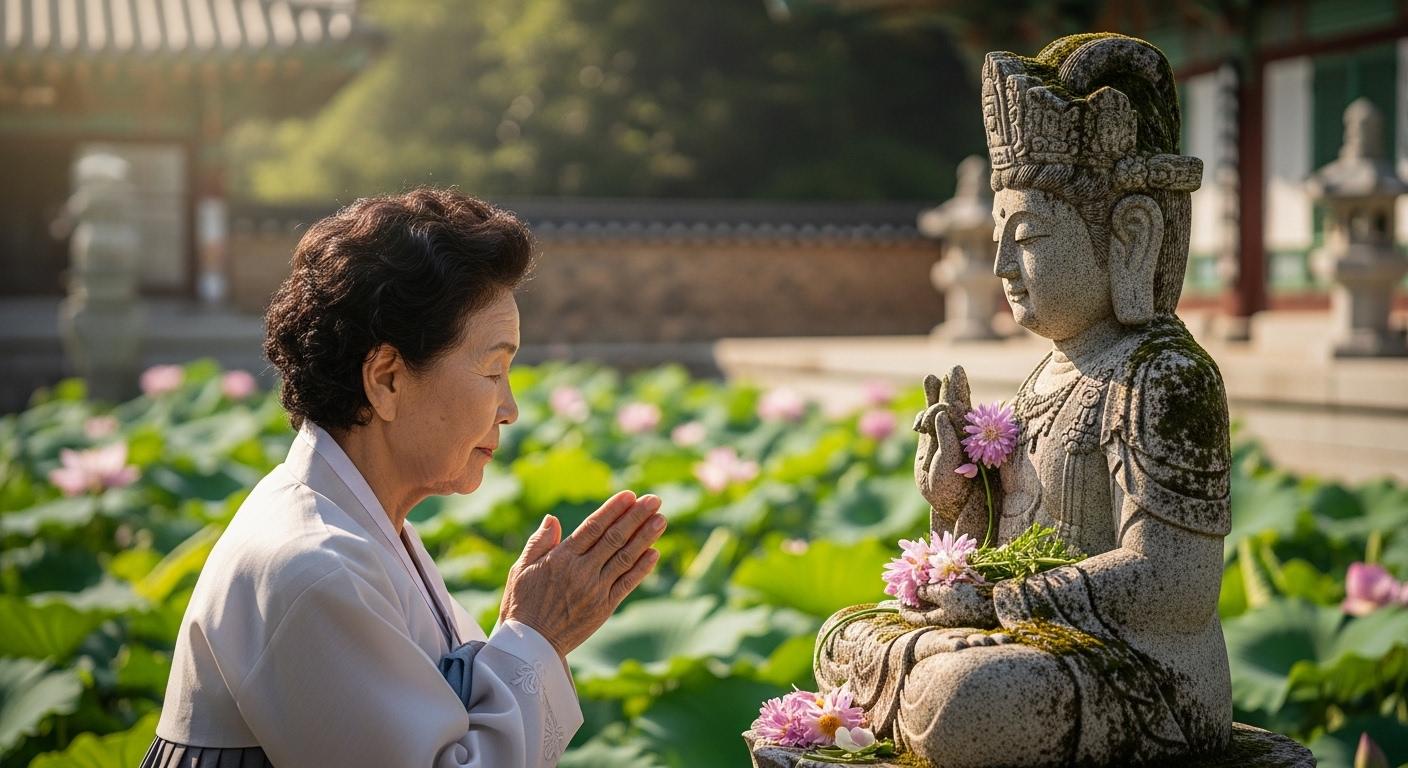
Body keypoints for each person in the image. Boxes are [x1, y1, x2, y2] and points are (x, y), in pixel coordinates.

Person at [142, 188, 666, 768]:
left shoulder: (356, 523)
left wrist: (528, 627)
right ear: (387, 379)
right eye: (493, 369)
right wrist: (535, 634)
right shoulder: (312, 565)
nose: (510, 408)